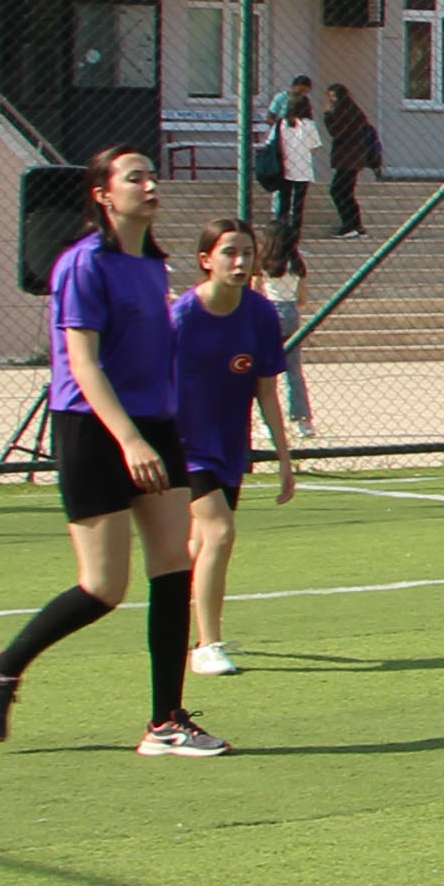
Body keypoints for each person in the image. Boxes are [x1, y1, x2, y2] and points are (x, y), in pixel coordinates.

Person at [0, 147, 228, 757]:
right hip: (92, 430)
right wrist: (128, 438)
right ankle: (1, 667)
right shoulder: (82, 264)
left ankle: (166, 722)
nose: (149, 184)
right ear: (104, 194)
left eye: (151, 174)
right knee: (103, 587)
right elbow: (82, 363)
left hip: (155, 426)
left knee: (173, 568)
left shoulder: (151, 265)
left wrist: (163, 428)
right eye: (135, 177)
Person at [171, 216, 296, 677]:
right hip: (183, 446)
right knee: (220, 533)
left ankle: (174, 610)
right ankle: (207, 645)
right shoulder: (182, 317)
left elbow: (265, 389)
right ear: (206, 260)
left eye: (247, 252)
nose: (241, 261)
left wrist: (284, 457)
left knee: (202, 542)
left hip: (229, 447)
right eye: (229, 252)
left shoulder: (260, 314)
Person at [258, 224, 316, 441]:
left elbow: (257, 290)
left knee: (266, 373)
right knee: (294, 371)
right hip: (291, 312)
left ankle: (268, 422)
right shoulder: (296, 265)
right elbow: (302, 298)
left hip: (271, 312)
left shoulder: (266, 263)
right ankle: (302, 421)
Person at [321, 84, 382, 238]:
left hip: (349, 158)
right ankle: (355, 225)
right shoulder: (353, 111)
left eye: (334, 96)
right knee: (345, 192)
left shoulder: (345, 112)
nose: (331, 100)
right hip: (352, 157)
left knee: (338, 190)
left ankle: (350, 225)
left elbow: (336, 132)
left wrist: (328, 115)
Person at [271, 79, 323, 239]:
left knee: (284, 202)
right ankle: (295, 233)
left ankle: (280, 231)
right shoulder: (309, 125)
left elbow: (271, 142)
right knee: (298, 204)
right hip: (302, 169)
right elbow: (315, 149)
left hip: (284, 167)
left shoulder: (281, 124)